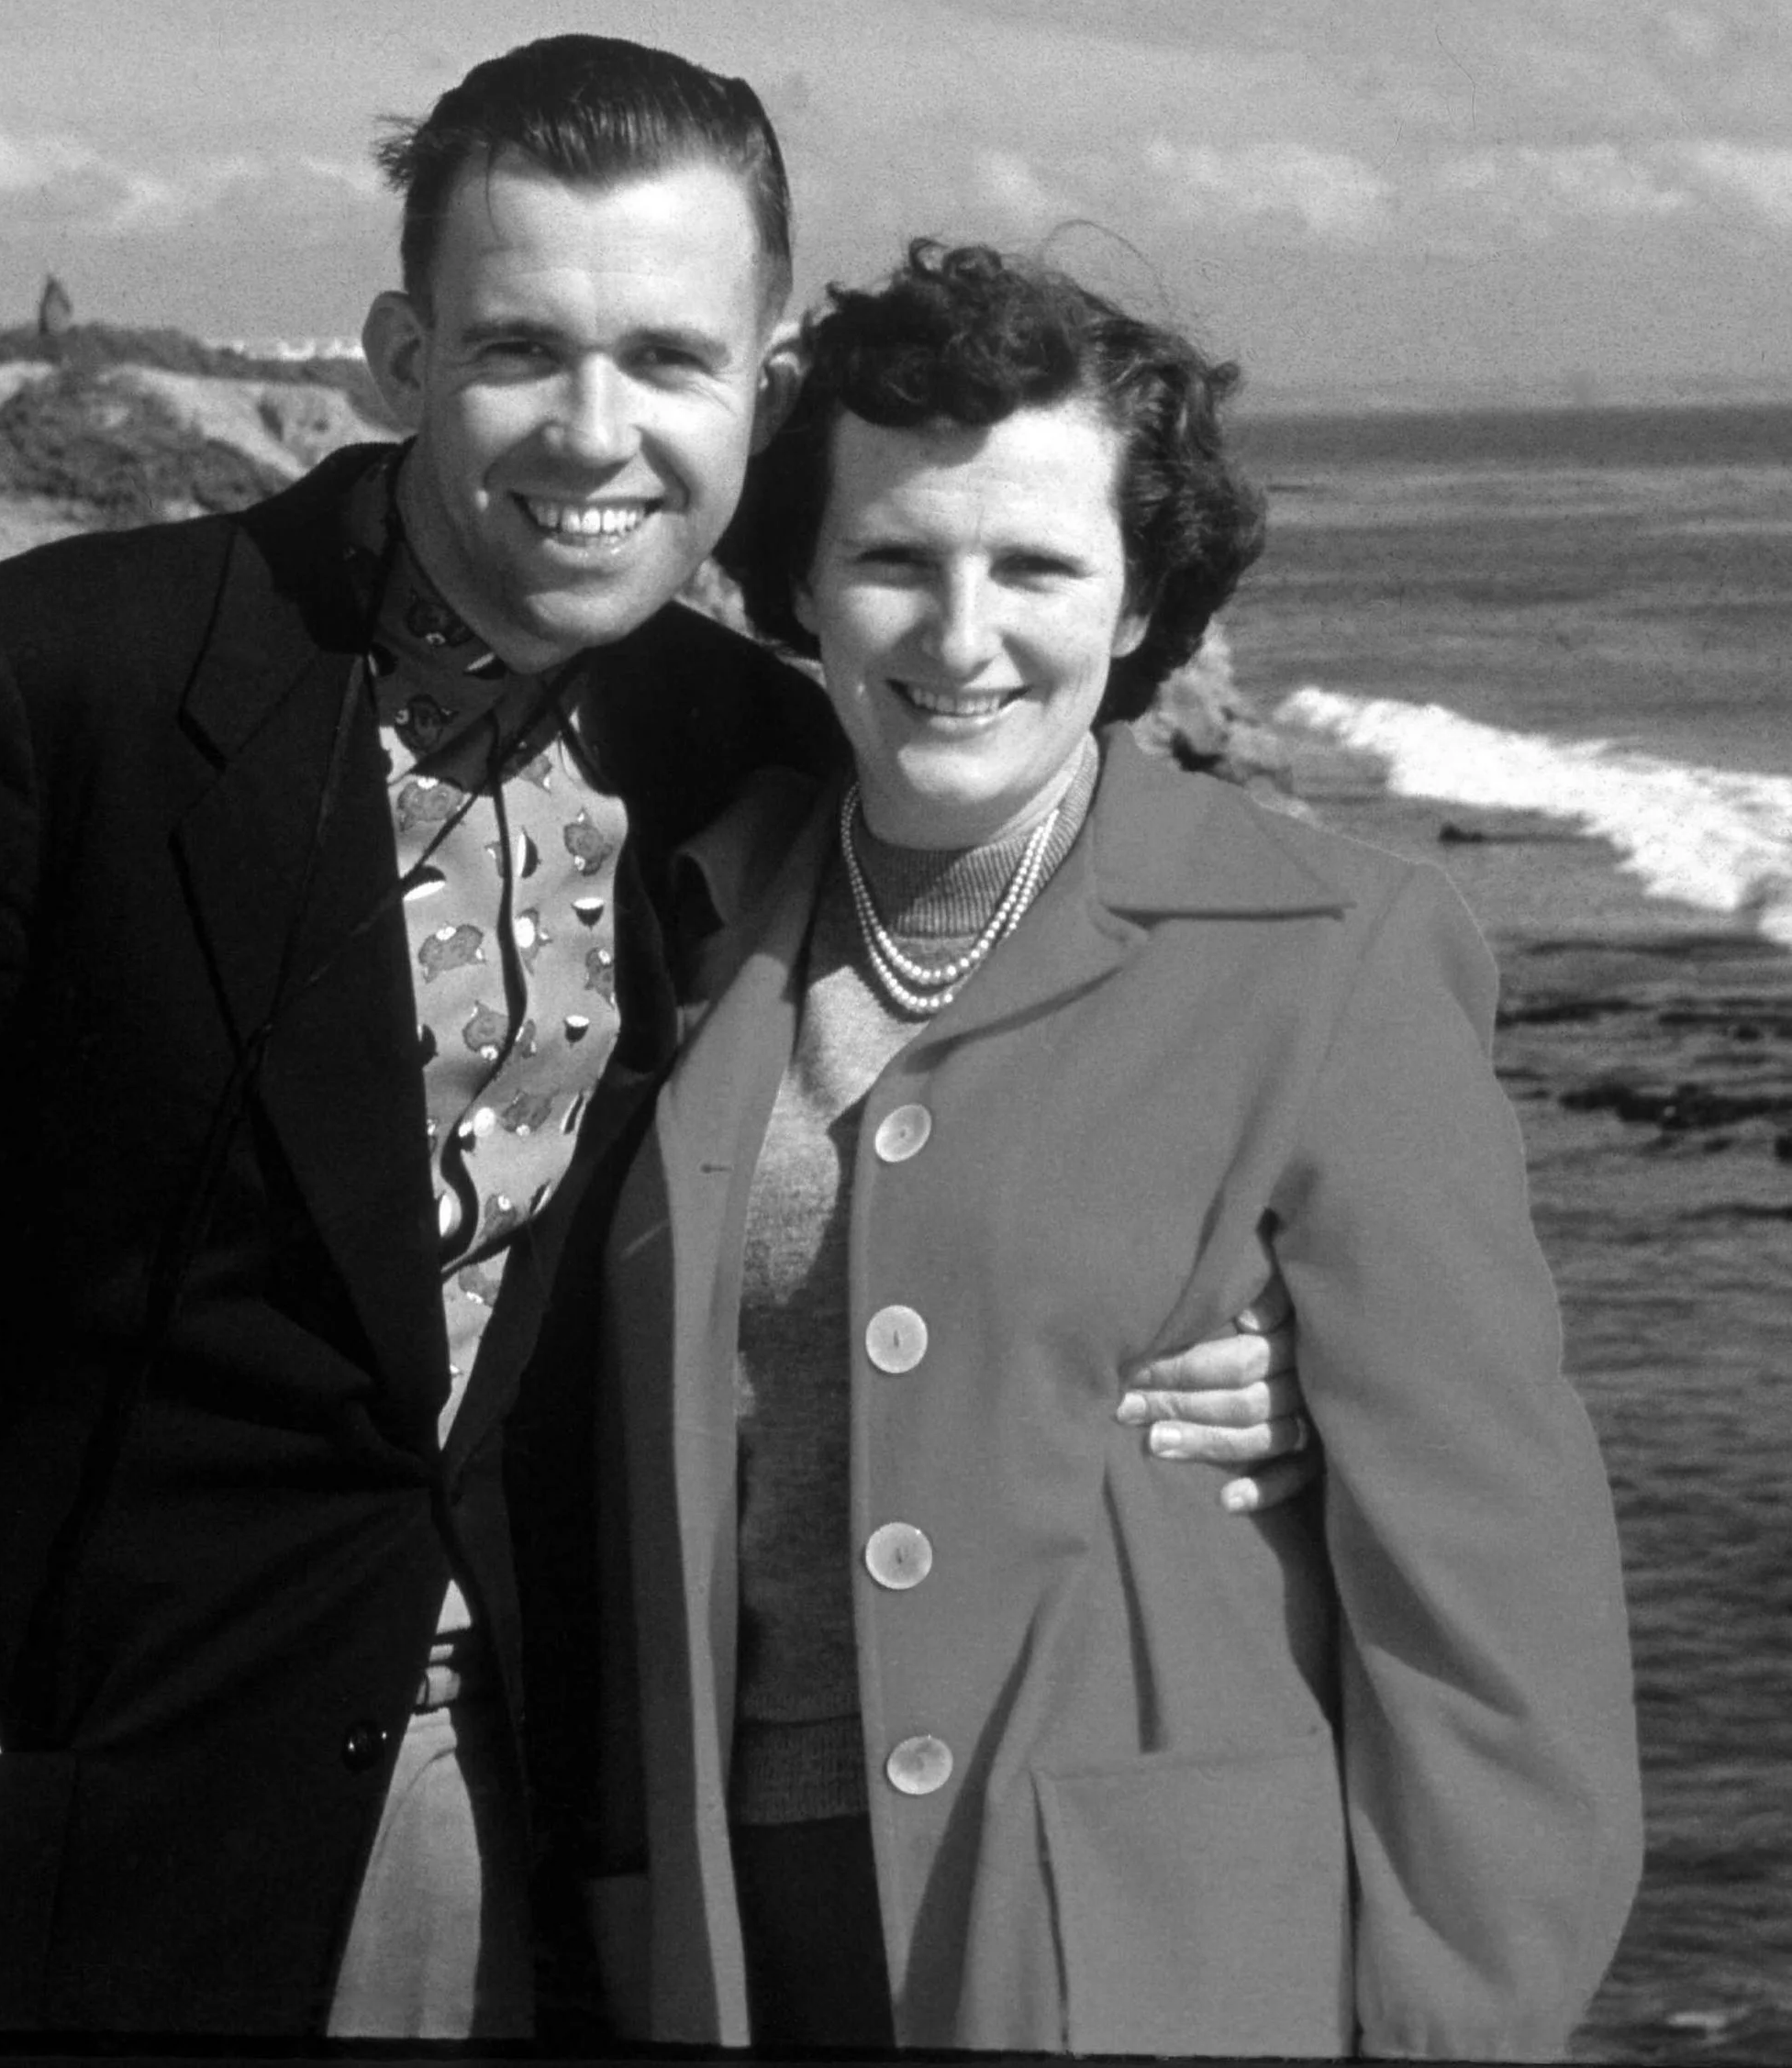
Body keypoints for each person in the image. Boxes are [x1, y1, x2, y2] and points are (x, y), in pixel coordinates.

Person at [0, 39, 1311, 2041]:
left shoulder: (755, 749)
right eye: (520, 349)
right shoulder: (63, 686)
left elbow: (993, 1063)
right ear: (401, 357)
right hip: (102, 1827)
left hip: (592, 1834)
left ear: (759, 391)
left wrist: (1239, 1343)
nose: (595, 432)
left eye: (666, 359)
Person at [594, 242, 1642, 2057]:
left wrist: (1460, 2023)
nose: (959, 633)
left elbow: (1493, 1613)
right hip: (733, 1926)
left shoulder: (1329, 950)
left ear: (1142, 595)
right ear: (802, 582)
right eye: (894, 558)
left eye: (1035, 566)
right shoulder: (690, 916)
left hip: (1148, 1949)